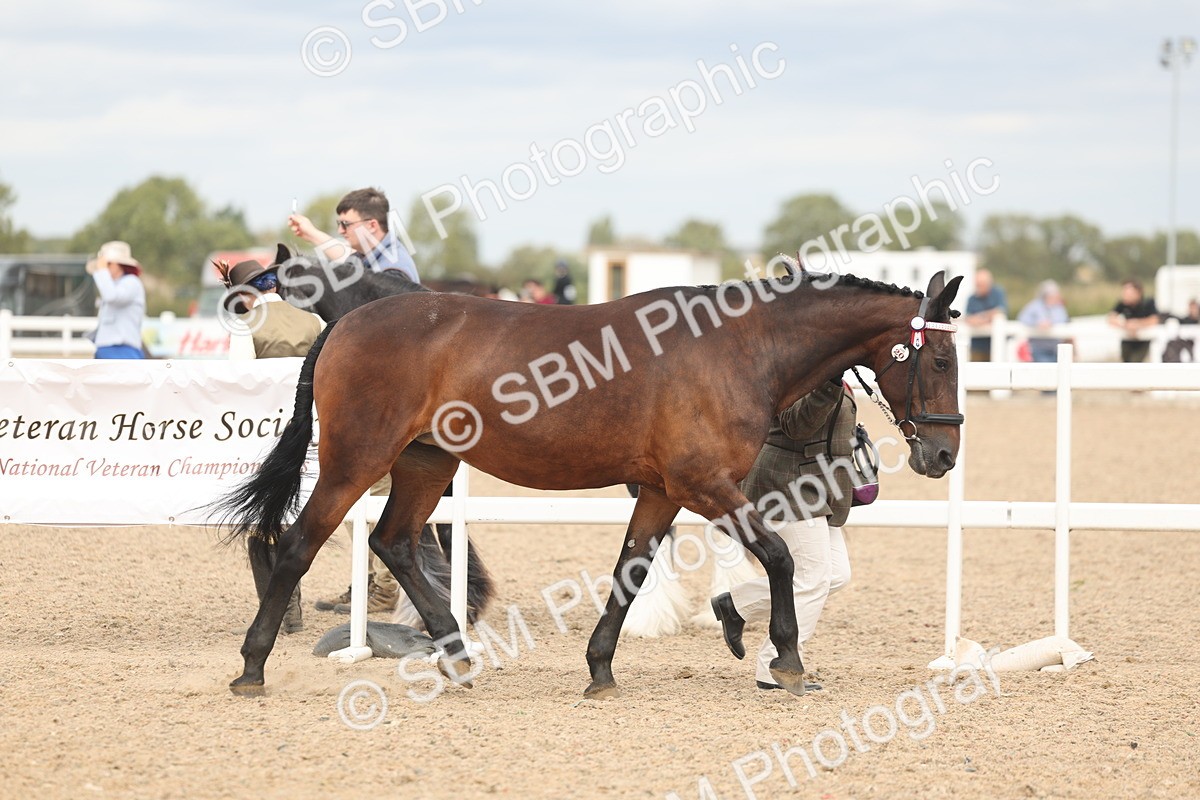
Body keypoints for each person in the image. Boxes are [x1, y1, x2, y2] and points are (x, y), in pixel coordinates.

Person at [710, 380, 856, 691]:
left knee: (837, 574)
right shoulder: (803, 370)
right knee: (812, 578)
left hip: (820, 489)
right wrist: (829, 384)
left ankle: (736, 604)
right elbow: (795, 425)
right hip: (787, 483)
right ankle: (774, 666)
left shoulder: (832, 369)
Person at [220, 252, 324, 633]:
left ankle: (283, 611)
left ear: (246, 294)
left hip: (267, 436)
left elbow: (239, 383)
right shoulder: (314, 320)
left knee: (264, 525)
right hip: (316, 433)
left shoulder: (246, 327)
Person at [287, 187, 419, 283]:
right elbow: (343, 255)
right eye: (339, 224)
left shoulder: (394, 273)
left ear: (372, 225)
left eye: (346, 224)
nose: (340, 231)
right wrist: (310, 233)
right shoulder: (372, 255)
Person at [86, 241, 145, 359]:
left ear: (119, 265)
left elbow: (112, 296)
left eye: (108, 264)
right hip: (106, 349)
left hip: (123, 350)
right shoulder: (115, 285)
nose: (104, 268)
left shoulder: (132, 282)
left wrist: (102, 270)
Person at [1107, 279, 1160, 363]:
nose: (1125, 295)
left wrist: (1138, 324)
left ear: (1138, 293)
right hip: (1127, 339)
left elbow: (1155, 319)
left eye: (1128, 293)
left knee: (1135, 363)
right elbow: (1111, 317)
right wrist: (1125, 325)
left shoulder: (1147, 303)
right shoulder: (1123, 304)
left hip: (1143, 340)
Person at [1017, 280, 1070, 363]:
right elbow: (1023, 318)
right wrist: (1036, 323)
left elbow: (1064, 320)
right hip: (1038, 348)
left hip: (1056, 348)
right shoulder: (1035, 305)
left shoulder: (1059, 307)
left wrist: (1051, 323)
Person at [964, 268, 1007, 361]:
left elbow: (1000, 311)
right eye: (977, 284)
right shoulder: (972, 298)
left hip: (996, 344)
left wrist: (981, 318)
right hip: (977, 346)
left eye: (981, 285)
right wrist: (986, 317)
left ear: (988, 284)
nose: (978, 287)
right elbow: (968, 318)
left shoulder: (997, 293)